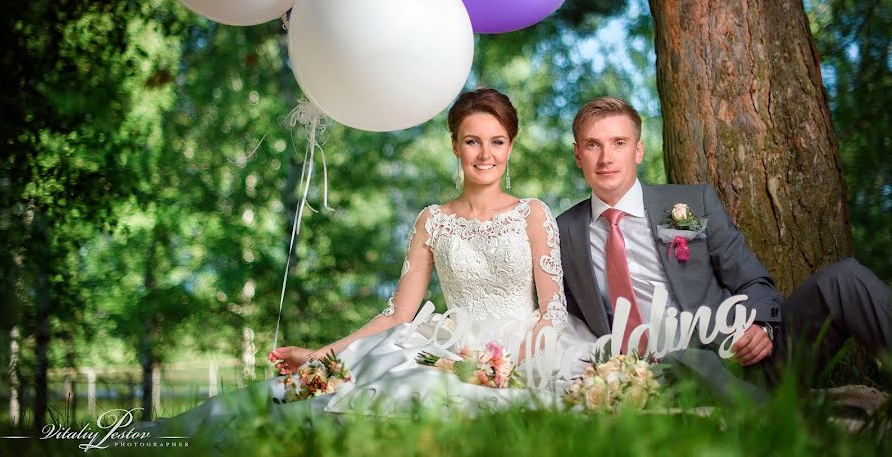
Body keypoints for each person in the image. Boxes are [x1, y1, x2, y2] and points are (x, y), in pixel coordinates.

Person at [150, 89, 596, 441]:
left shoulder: (532, 214)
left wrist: (508, 364)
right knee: (374, 384)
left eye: (496, 142)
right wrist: (322, 354)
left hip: (527, 346)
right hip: (449, 342)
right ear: (455, 146)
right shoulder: (432, 221)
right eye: (472, 141)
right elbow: (399, 314)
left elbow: (553, 309)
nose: (485, 154)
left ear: (510, 146)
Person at [557, 96, 891, 399]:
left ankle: (766, 407)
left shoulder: (686, 204)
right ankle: (779, 424)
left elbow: (753, 281)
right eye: (592, 145)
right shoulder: (562, 232)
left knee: (844, 279)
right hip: (665, 376)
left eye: (619, 143)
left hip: (746, 356)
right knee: (689, 360)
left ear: (638, 150)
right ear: (577, 155)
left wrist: (761, 324)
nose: (606, 158)